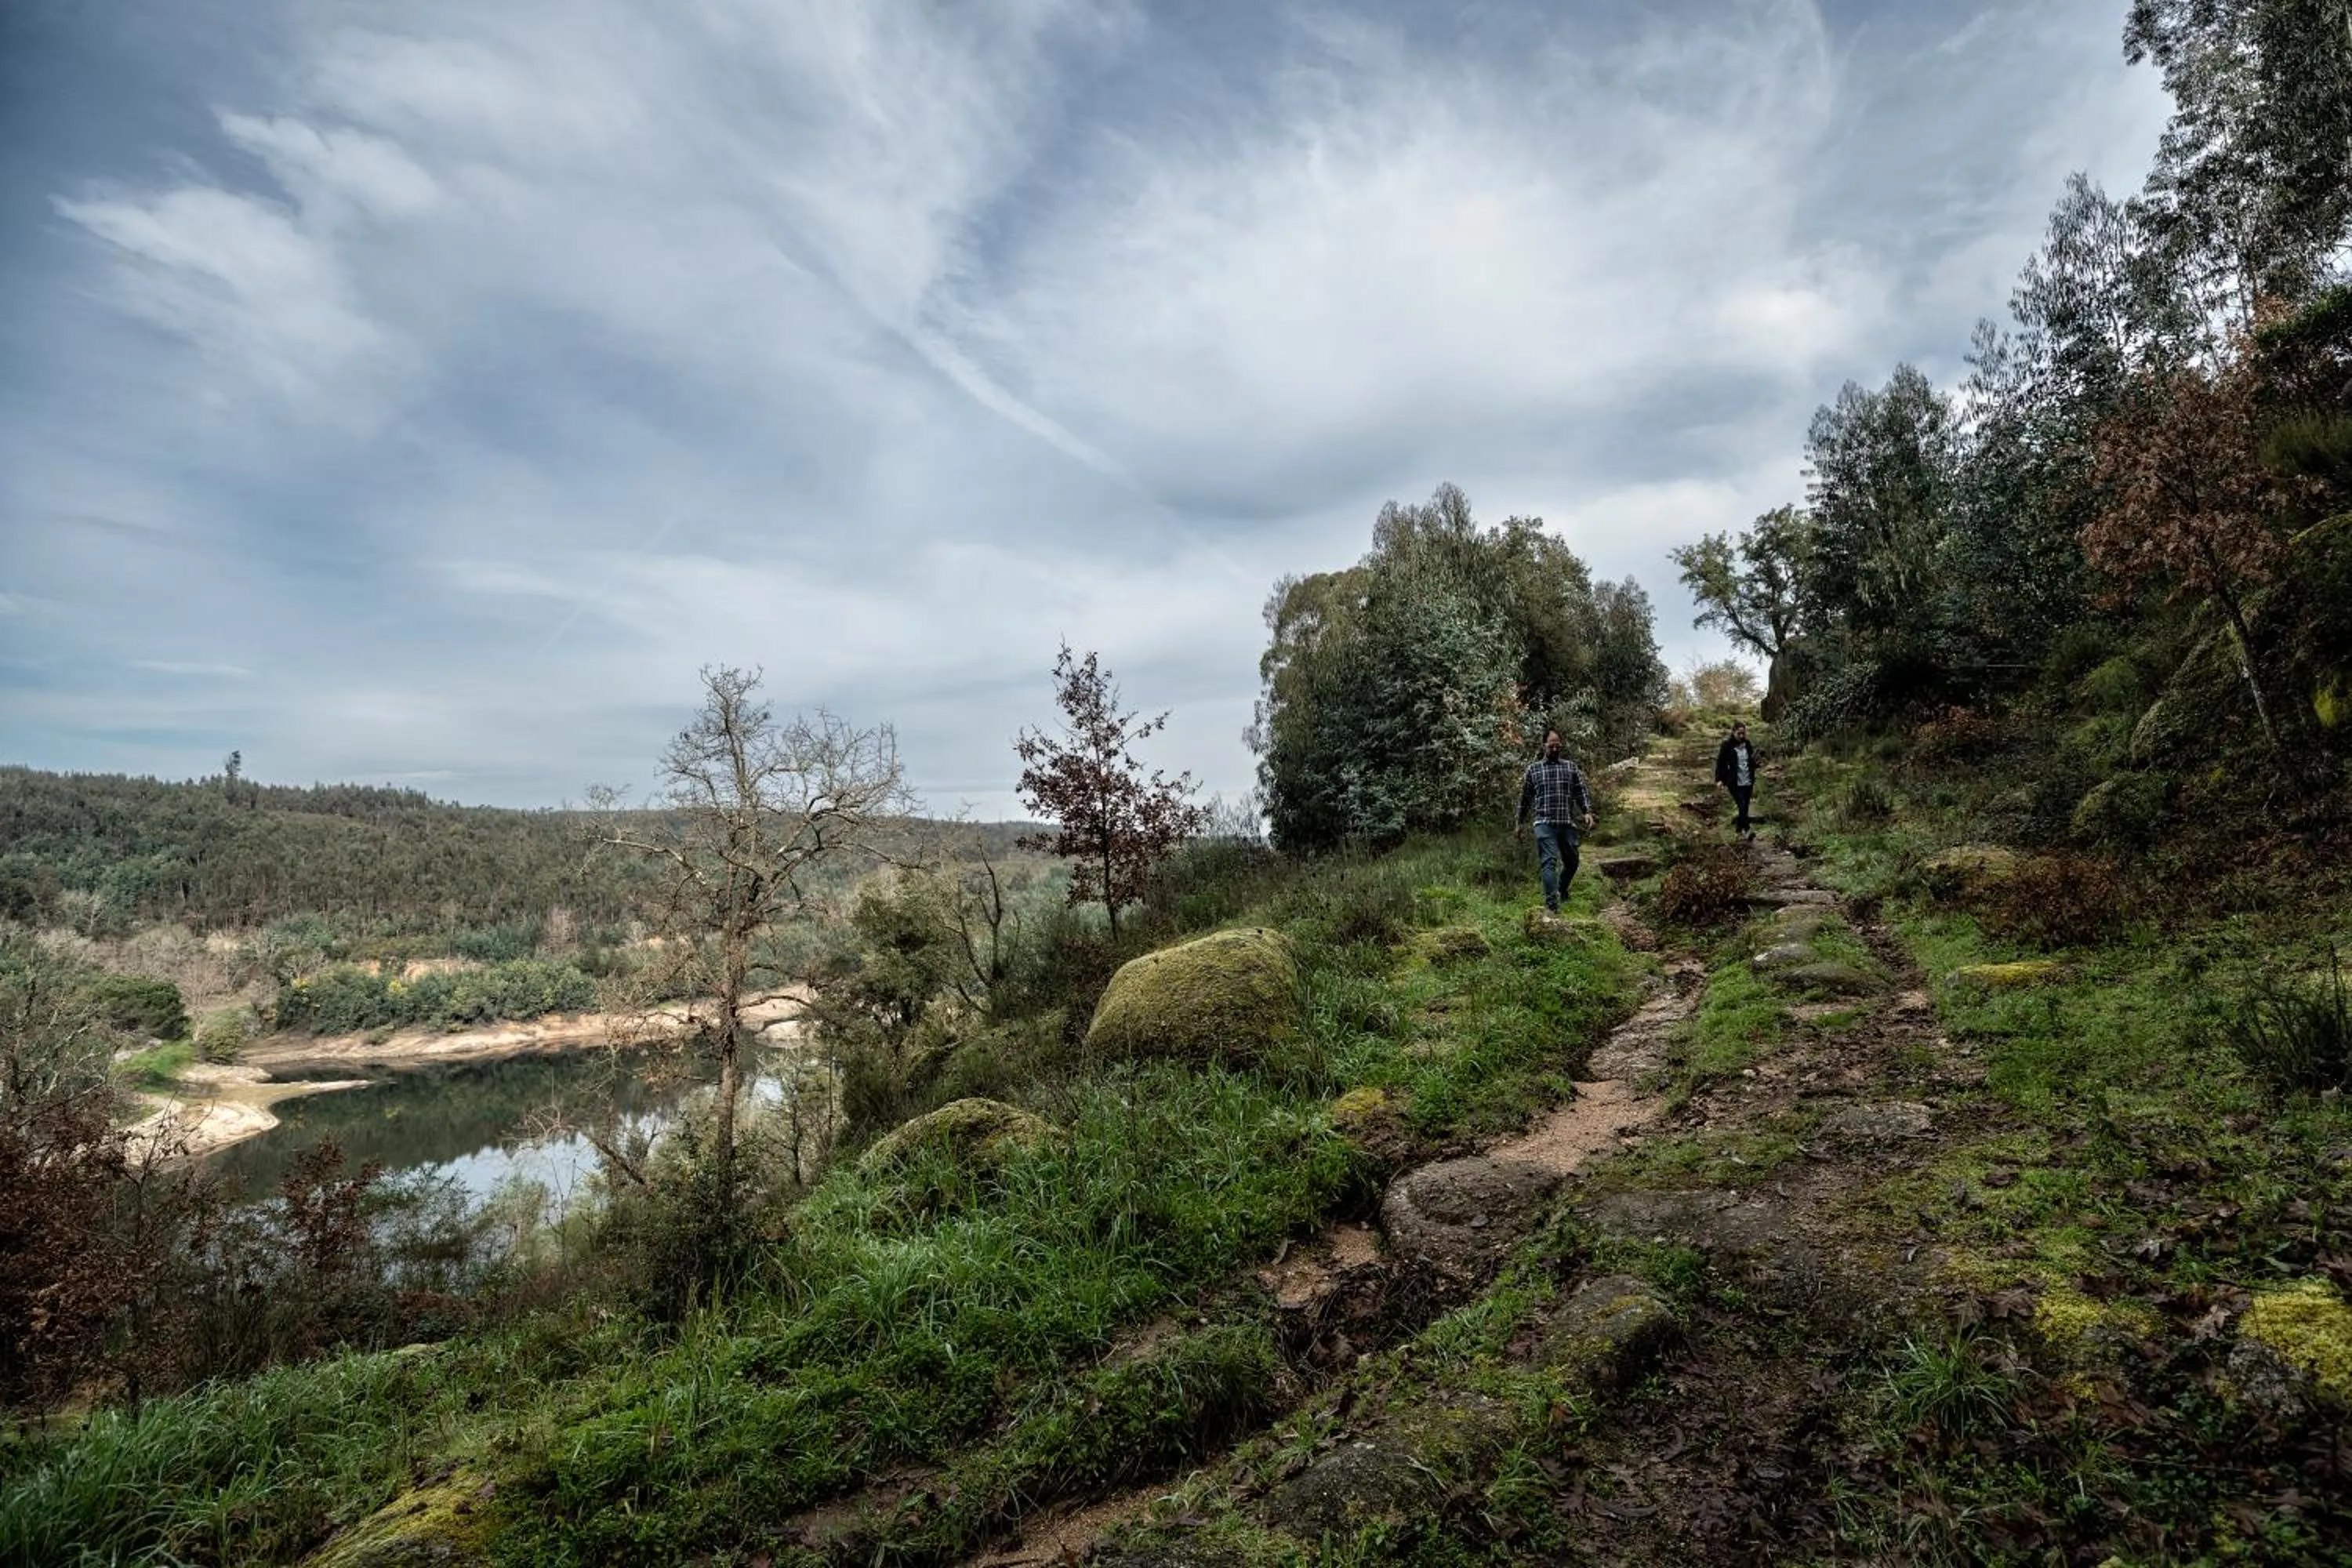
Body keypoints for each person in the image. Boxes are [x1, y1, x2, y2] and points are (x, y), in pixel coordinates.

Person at [1514, 728, 1595, 914]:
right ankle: (1552, 905)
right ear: (1544, 745)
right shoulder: (1533, 770)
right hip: (1544, 824)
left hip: (1566, 823)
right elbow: (1524, 800)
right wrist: (1519, 823)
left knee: (1572, 863)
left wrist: (1587, 812)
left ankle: (1562, 889)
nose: (1555, 746)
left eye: (1558, 743)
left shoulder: (1570, 767)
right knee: (1549, 862)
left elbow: (1579, 791)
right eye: (1552, 743)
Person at [1715, 721, 1759, 839]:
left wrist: (1757, 762)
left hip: (1748, 780)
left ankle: (1739, 831)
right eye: (1739, 733)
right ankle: (1748, 830)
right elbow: (1720, 763)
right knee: (1742, 805)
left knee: (1745, 807)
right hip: (1734, 781)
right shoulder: (1726, 745)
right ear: (1733, 732)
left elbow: (1751, 762)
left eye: (1743, 733)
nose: (1741, 736)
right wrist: (1719, 779)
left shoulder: (1748, 744)